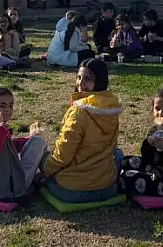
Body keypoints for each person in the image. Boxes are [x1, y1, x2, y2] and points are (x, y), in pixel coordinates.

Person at [43, 59, 124, 203]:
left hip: (73, 191)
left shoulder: (78, 112)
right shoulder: (111, 108)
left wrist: (45, 171)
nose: (81, 83)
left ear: (99, 81)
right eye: (79, 77)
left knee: (43, 158)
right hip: (108, 188)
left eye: (88, 79)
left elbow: (63, 154)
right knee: (117, 153)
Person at [0, 87, 49, 201]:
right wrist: (0, 131)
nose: (8, 109)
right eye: (2, 106)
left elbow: (7, 147)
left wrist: (27, 140)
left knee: (34, 140)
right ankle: (50, 174)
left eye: (11, 105)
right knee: (39, 142)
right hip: (7, 188)